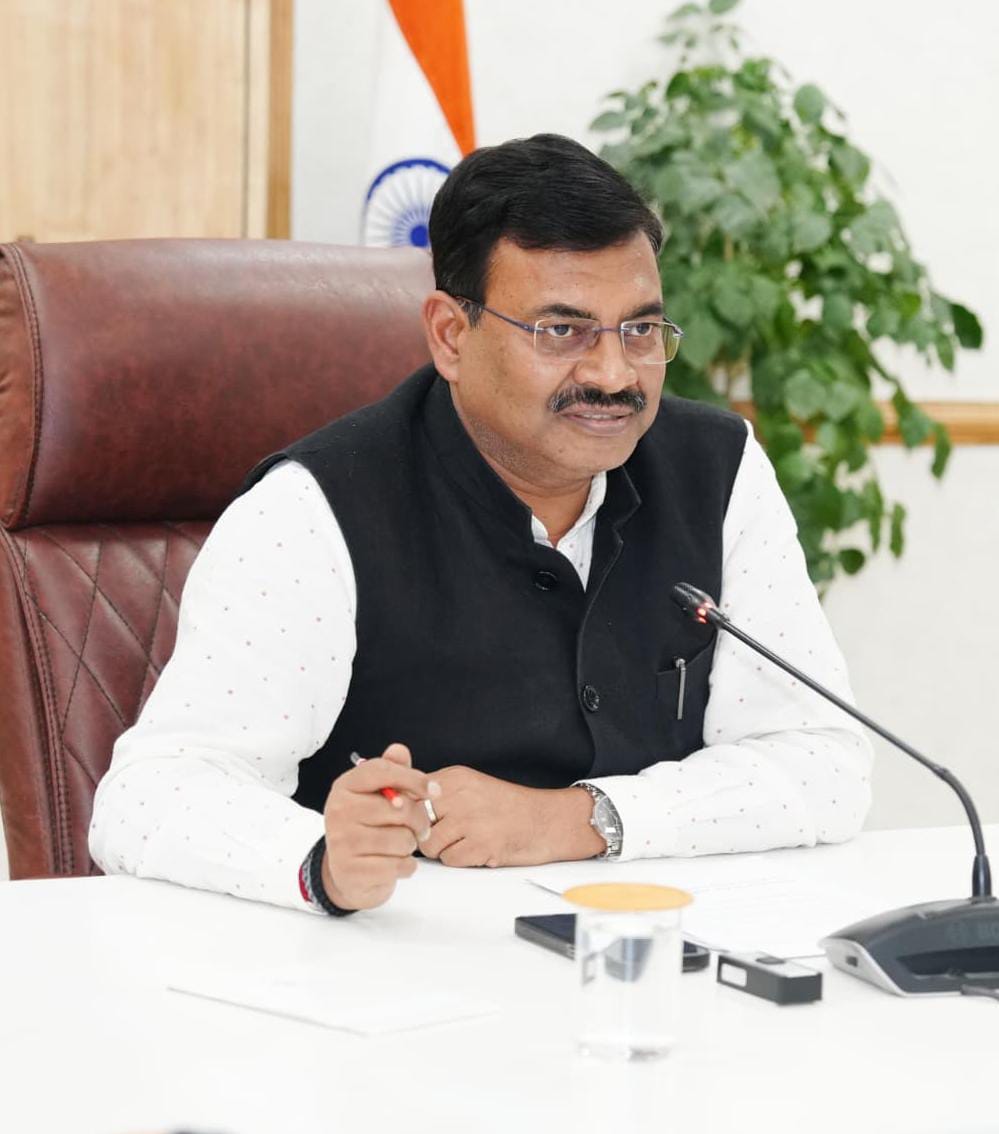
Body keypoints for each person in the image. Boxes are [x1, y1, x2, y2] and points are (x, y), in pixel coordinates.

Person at [90, 134, 872, 915]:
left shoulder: (718, 469)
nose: (613, 374)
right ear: (450, 335)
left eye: (639, 330)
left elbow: (824, 763)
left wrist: (583, 818)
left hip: (645, 945)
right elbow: (150, 795)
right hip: (394, 959)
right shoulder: (311, 510)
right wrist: (320, 861)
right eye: (561, 331)